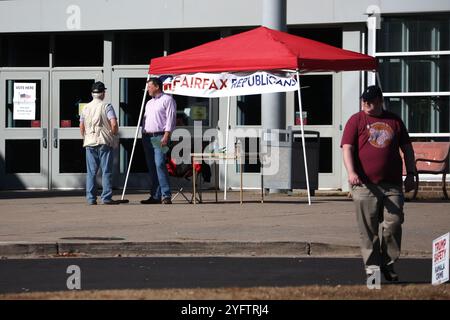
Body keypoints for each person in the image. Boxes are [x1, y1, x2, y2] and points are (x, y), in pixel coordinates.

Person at [341, 85, 416, 282]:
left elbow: (407, 149)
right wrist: (351, 172)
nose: (366, 104)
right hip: (364, 184)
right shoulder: (356, 120)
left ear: (380, 101)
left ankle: (388, 263)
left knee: (394, 223)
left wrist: (411, 173)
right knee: (368, 230)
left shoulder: (394, 120)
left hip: (392, 184)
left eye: (371, 101)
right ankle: (372, 271)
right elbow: (347, 148)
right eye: (364, 101)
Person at [80, 81, 120, 205]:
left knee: (91, 172)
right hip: (104, 141)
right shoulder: (107, 106)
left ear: (92, 93)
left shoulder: (85, 108)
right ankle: (106, 198)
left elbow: (81, 126)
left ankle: (91, 199)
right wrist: (113, 134)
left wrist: (86, 137)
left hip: (90, 142)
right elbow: (113, 124)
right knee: (106, 171)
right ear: (102, 93)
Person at [141, 77, 177, 205]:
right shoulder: (149, 103)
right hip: (147, 137)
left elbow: (171, 119)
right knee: (152, 167)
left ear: (157, 87)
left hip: (159, 136)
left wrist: (167, 135)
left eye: (149, 86)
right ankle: (155, 195)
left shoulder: (167, 100)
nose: (147, 89)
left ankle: (166, 195)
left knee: (160, 164)